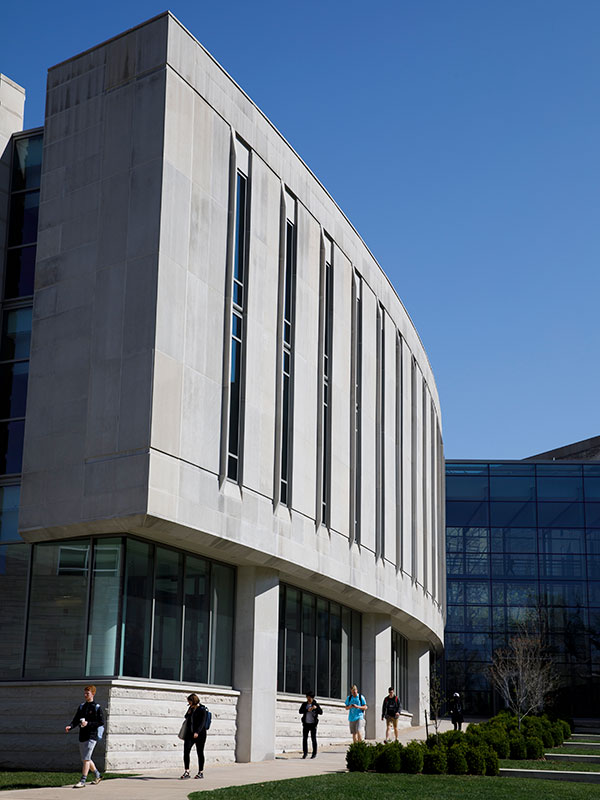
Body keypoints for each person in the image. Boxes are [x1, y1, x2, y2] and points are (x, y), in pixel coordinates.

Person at [65, 685, 105, 788]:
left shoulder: (97, 707)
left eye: (87, 693)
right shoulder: (82, 706)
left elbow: (101, 722)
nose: (85, 695)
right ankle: (98, 775)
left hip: (92, 736)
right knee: (85, 758)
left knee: (86, 759)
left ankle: (82, 781)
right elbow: (76, 719)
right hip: (82, 735)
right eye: (85, 693)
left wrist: (88, 724)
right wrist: (70, 726)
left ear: (93, 694)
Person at [179, 693, 208, 780]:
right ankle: (187, 771)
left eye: (190, 702)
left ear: (193, 701)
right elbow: (186, 717)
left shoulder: (202, 709)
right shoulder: (191, 708)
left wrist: (197, 732)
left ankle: (201, 772)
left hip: (200, 734)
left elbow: (202, 723)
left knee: (200, 752)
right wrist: (189, 711)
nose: (189, 703)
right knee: (186, 751)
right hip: (189, 734)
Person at [298, 691, 323, 759]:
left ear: (312, 698)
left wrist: (316, 708)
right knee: (304, 739)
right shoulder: (304, 704)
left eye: (310, 698)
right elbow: (300, 711)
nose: (309, 699)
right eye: (307, 697)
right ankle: (305, 753)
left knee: (313, 739)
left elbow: (321, 712)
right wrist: (307, 710)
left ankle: (314, 753)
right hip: (306, 724)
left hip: (313, 724)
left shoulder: (315, 704)